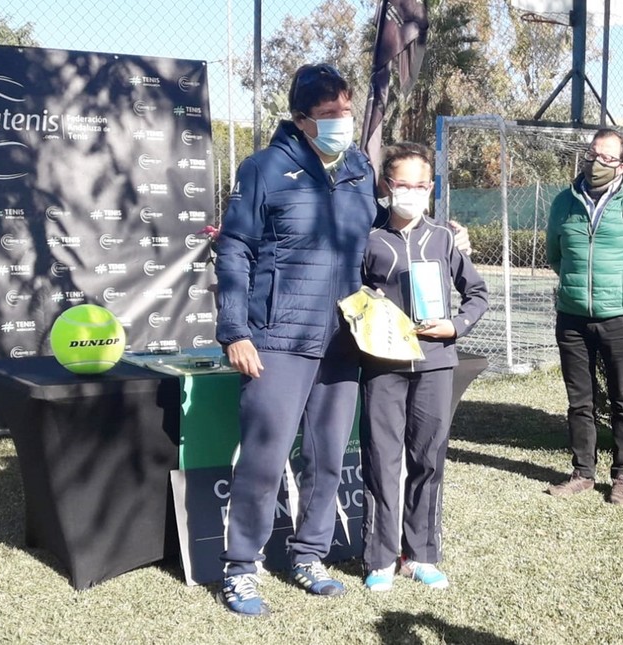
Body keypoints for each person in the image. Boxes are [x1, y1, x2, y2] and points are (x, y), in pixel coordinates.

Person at [213, 63, 377, 617]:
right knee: (264, 460)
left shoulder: (360, 168)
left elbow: (374, 242)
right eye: (330, 115)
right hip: (277, 338)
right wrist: (235, 330)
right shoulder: (263, 168)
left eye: (347, 111)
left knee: (328, 458)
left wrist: (443, 233)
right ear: (301, 118)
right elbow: (234, 248)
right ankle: (240, 568)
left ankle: (309, 554)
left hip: (342, 343)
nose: (343, 122)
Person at [358, 142, 488, 592]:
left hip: (435, 364)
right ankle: (380, 557)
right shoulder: (367, 236)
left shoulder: (445, 237)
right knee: (381, 458)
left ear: (430, 188)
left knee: (427, 458)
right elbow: (349, 294)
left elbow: (478, 294)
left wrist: (455, 326)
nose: (410, 192)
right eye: (401, 184)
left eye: (419, 185)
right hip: (382, 365)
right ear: (386, 185)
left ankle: (422, 555)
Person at [545, 127, 623, 505]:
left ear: (622, 165)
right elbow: (556, 255)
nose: (596, 162)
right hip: (572, 317)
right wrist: (578, 289)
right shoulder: (563, 202)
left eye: (606, 158)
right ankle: (583, 472)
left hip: (621, 318)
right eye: (592, 154)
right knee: (579, 400)